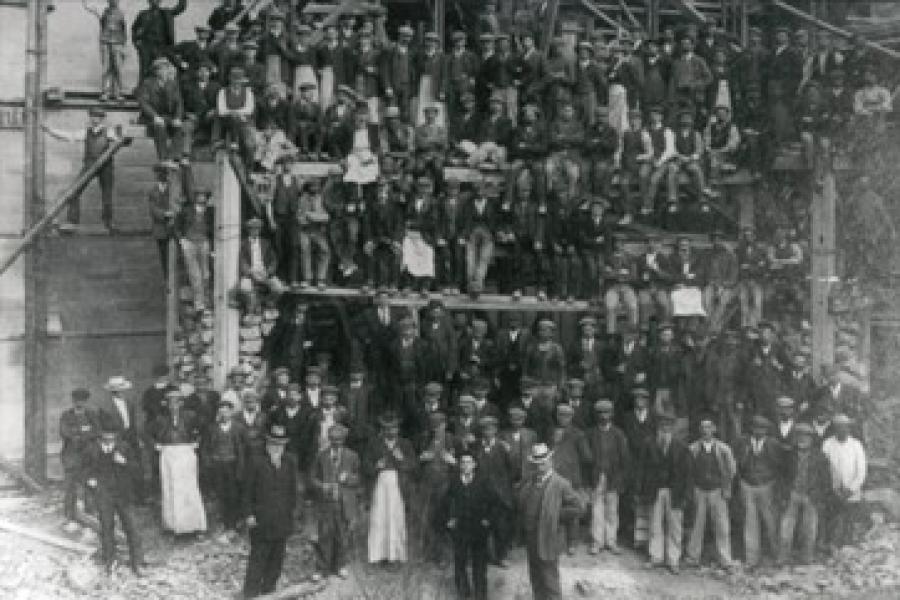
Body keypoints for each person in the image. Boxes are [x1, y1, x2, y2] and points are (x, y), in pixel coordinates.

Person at [517, 443, 586, 600]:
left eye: (543, 462)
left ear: (550, 461)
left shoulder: (561, 484)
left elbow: (579, 507)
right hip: (531, 535)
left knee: (549, 579)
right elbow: (522, 503)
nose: (540, 466)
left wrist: (557, 515)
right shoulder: (530, 481)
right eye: (536, 463)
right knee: (535, 576)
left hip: (549, 537)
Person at [242, 424, 298, 598]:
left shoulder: (290, 461)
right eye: (273, 443)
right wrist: (249, 514)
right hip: (261, 518)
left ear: (285, 445)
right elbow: (246, 491)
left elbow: (293, 490)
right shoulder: (256, 461)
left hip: (282, 518)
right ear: (267, 443)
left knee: (277, 557)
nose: (276, 447)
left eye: (280, 444)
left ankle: (269, 590)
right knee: (258, 556)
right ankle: (250, 593)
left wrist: (293, 513)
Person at [42, 108, 119, 230]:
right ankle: (72, 222)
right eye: (93, 116)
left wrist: (125, 135)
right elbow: (68, 136)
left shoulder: (109, 133)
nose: (95, 119)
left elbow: (122, 141)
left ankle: (109, 223)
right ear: (90, 118)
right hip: (89, 165)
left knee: (107, 195)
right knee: (75, 191)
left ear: (102, 119)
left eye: (98, 117)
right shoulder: (86, 132)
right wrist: (50, 130)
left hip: (106, 167)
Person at [85, 428, 145, 575]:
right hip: (104, 494)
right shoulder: (92, 450)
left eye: (112, 438)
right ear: (100, 438)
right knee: (106, 528)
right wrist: (90, 479)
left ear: (116, 437)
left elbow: (137, 470)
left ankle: (137, 563)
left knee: (132, 527)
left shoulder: (124, 448)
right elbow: (83, 469)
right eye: (106, 438)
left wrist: (124, 462)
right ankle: (110, 561)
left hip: (123, 493)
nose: (109, 441)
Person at [637, 411, 691, 573]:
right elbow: (641, 468)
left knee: (675, 527)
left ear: (673, 429)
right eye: (662, 426)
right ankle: (656, 557)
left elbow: (688, 473)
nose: (665, 429)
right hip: (654, 489)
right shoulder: (648, 444)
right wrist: (640, 489)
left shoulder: (681, 447)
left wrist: (686, 495)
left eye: (668, 427)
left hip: (675, 491)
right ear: (658, 428)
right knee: (655, 524)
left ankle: (673, 560)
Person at [440, 452, 495, 600]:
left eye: (469, 462)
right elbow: (444, 503)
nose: (465, 465)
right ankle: (464, 594)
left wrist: (488, 519)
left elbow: (494, 503)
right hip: (460, 528)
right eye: (462, 462)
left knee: (480, 564)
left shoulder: (483, 481)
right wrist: (449, 520)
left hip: (478, 528)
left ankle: (480, 595)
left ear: (474, 464)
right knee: (460, 562)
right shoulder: (454, 482)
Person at [685, 417, 736, 569]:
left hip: (717, 491)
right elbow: (688, 470)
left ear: (714, 429)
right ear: (700, 431)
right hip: (699, 490)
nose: (706, 431)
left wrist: (725, 487)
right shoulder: (693, 448)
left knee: (722, 525)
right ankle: (693, 557)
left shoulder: (723, 449)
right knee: (697, 525)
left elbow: (731, 470)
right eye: (703, 428)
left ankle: (725, 559)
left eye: (709, 427)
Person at [779, 422, 832, 565]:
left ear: (812, 439)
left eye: (806, 437)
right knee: (786, 528)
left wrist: (820, 496)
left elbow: (826, 479)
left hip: (811, 495)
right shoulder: (788, 455)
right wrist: (784, 494)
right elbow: (782, 476)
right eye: (799, 436)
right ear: (795, 438)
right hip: (793, 494)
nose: (802, 439)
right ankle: (783, 557)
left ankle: (806, 557)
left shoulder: (820, 456)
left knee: (809, 528)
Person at [311, 424, 359, 581]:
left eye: (339, 440)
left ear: (344, 440)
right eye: (333, 440)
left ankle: (340, 565)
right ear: (329, 439)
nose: (336, 443)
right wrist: (322, 486)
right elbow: (312, 478)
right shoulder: (321, 456)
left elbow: (359, 478)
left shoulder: (352, 456)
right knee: (324, 534)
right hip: (326, 502)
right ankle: (322, 568)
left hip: (344, 502)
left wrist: (348, 479)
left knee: (342, 534)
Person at [366, 414, 416, 564]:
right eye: (387, 429)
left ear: (398, 429)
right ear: (382, 430)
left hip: (398, 484)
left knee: (396, 517)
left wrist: (402, 460)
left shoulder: (405, 444)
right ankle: (378, 555)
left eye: (394, 428)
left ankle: (396, 555)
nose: (391, 431)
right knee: (379, 518)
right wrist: (376, 466)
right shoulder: (374, 443)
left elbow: (414, 465)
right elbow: (365, 465)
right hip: (380, 484)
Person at [734, 415, 780, 569]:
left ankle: (776, 554)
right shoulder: (743, 442)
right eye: (756, 428)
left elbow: (779, 465)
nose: (759, 431)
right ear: (751, 429)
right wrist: (741, 480)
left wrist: (773, 483)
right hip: (747, 485)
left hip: (766, 486)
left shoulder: (773, 444)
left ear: (767, 430)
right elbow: (736, 462)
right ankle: (751, 558)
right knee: (750, 521)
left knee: (770, 521)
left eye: (762, 428)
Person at [586, 399, 630, 555]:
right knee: (596, 511)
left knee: (612, 511)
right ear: (596, 415)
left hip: (613, 477)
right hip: (597, 476)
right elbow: (587, 458)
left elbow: (625, 459)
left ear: (612, 414)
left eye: (606, 413)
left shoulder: (618, 434)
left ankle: (611, 541)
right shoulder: (591, 433)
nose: (604, 416)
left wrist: (621, 479)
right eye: (600, 413)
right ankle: (597, 542)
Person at [821, 414, 867, 548]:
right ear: (834, 429)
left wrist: (850, 489)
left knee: (849, 519)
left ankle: (848, 544)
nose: (842, 430)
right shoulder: (827, 444)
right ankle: (831, 544)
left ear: (849, 428)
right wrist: (834, 489)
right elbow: (823, 468)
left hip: (851, 490)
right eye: (838, 427)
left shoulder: (856, 444)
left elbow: (861, 471)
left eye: (845, 427)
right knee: (833, 518)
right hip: (832, 490)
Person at [97, 376, 144, 504]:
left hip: (130, 437)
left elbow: (132, 422)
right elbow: (102, 426)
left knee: (134, 465)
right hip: (116, 437)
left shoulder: (129, 403)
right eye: (119, 390)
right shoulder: (105, 407)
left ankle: (138, 497)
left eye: (123, 389)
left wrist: (137, 438)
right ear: (113, 391)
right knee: (118, 466)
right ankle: (122, 497)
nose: (122, 392)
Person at [59, 388, 100, 532]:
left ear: (86, 401)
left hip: (88, 457)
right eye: (76, 400)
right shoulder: (66, 415)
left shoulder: (92, 414)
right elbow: (65, 433)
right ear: (73, 401)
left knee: (90, 485)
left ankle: (90, 514)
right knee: (70, 487)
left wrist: (79, 433)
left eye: (82, 400)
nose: (79, 403)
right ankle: (69, 516)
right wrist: (84, 433)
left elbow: (97, 431)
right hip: (71, 457)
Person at [204, 399, 242, 541]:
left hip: (232, 465)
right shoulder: (212, 428)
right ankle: (221, 524)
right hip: (217, 466)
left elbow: (243, 450)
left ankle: (232, 525)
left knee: (233, 495)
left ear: (231, 412)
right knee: (220, 494)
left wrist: (240, 468)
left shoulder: (238, 428)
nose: (224, 413)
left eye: (227, 411)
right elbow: (206, 448)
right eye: (221, 411)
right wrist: (209, 463)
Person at [176, 189, 214, 312]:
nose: (202, 198)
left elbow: (214, 230)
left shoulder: (210, 212)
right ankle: (199, 303)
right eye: (199, 196)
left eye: (204, 196)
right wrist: (181, 240)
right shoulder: (187, 211)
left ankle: (207, 300)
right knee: (195, 275)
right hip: (190, 243)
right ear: (196, 198)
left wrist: (212, 246)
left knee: (206, 274)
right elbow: (176, 226)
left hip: (203, 243)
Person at [82, 0, 127, 101]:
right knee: (106, 68)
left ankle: (118, 93)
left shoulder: (121, 13)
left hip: (117, 43)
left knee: (117, 68)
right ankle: (105, 92)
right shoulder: (105, 12)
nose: (113, 2)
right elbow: (102, 25)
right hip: (105, 42)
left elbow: (124, 31)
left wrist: (123, 46)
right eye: (111, 0)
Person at [131, 0, 186, 81]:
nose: (155, 2)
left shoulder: (166, 13)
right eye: (152, 1)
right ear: (149, 2)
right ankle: (143, 90)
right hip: (147, 47)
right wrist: (137, 44)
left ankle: (160, 91)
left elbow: (180, 8)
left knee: (161, 69)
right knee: (145, 70)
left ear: (160, 2)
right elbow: (134, 29)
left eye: (157, 0)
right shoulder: (143, 14)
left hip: (162, 46)